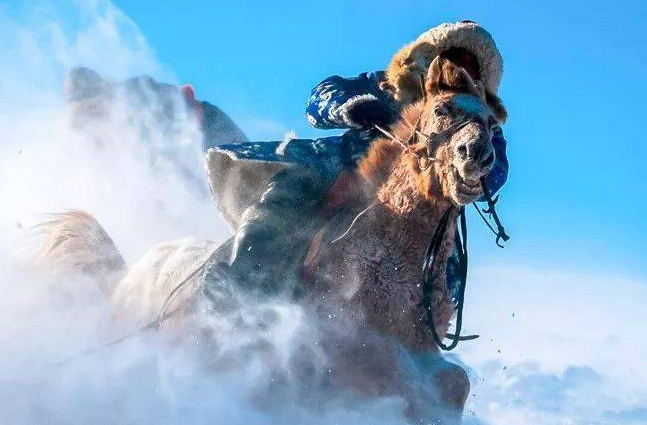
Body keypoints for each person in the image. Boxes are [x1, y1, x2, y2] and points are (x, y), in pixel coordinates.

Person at [203, 20, 510, 303]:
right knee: (291, 191)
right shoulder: (387, 85)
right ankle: (240, 285)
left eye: (471, 71)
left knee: (444, 280)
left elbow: (496, 169)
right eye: (452, 62)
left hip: (422, 207)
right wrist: (350, 107)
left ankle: (420, 344)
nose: (459, 74)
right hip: (340, 172)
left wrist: (474, 174)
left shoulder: (479, 121)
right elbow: (320, 99)